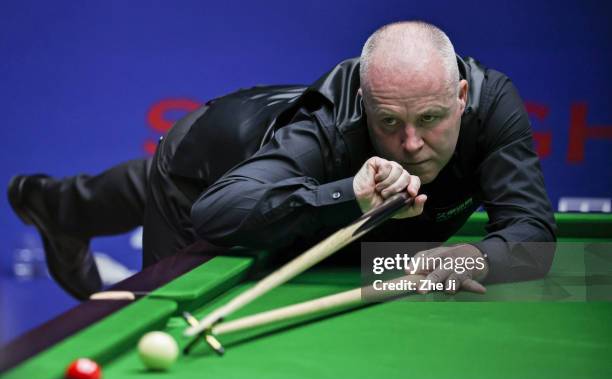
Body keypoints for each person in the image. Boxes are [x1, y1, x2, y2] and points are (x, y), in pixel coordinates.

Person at [7, 21, 556, 300]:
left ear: (461, 97)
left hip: (257, 149)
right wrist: (351, 194)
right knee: (169, 207)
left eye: (431, 119)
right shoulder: (325, 129)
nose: (412, 143)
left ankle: (56, 205)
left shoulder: (492, 105)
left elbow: (532, 233)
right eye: (389, 123)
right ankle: (59, 209)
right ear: (365, 105)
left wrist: (476, 260)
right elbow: (217, 212)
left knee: (137, 185)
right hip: (202, 167)